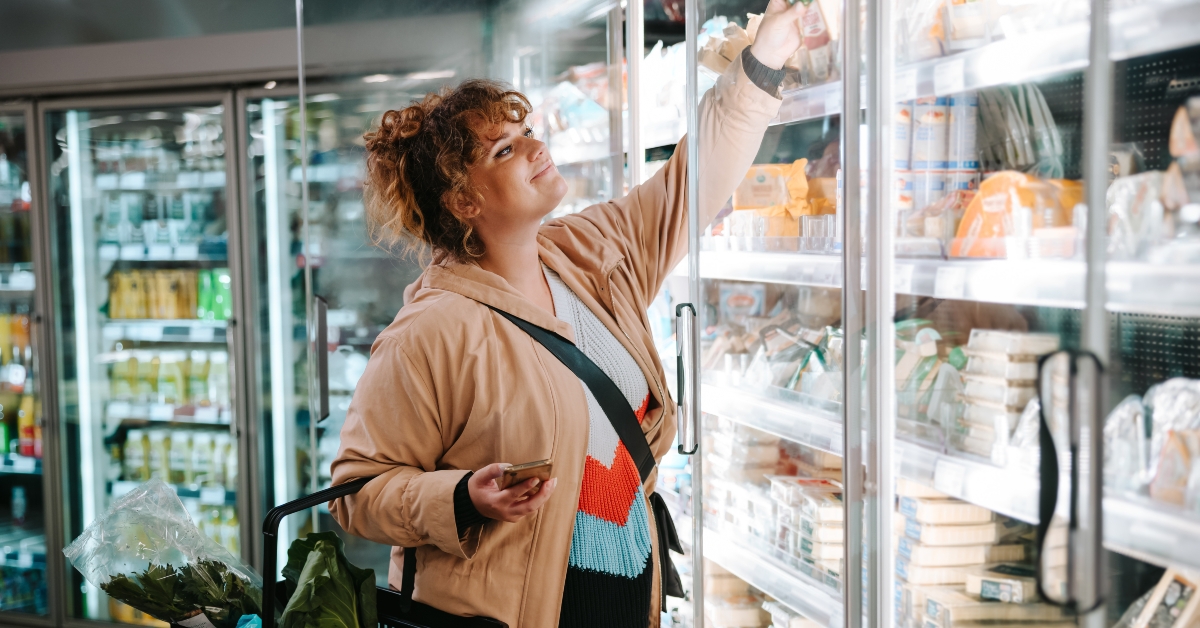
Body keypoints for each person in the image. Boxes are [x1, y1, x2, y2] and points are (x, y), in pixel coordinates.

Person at [328, 2, 806, 625]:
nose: (534, 147)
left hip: (632, 598)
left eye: (526, 131)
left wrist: (764, 58)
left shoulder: (589, 254)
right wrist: (461, 497)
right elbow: (356, 492)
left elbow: (694, 180)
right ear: (464, 200)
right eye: (504, 149)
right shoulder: (431, 332)